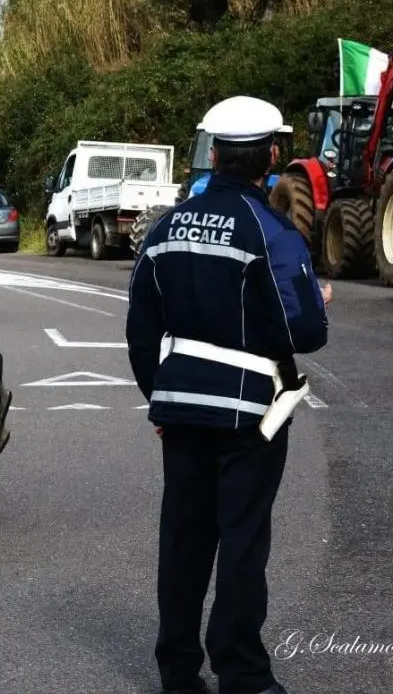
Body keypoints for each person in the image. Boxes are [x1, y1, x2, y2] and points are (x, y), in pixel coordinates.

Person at [125, 95, 332, 694]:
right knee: (242, 542)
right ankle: (241, 672)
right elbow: (304, 332)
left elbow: (141, 325)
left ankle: (178, 672)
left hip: (181, 410)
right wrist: (316, 300)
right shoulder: (271, 233)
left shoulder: (165, 228)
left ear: (213, 154)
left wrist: (158, 399)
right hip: (251, 415)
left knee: (184, 541)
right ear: (272, 155)